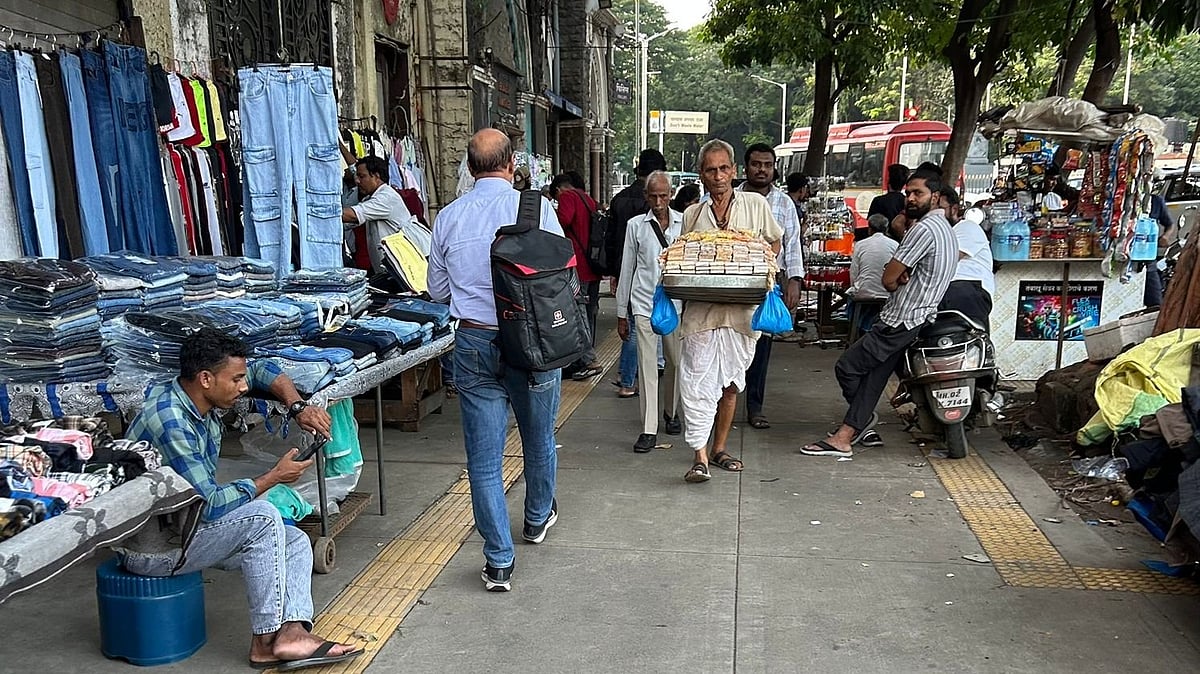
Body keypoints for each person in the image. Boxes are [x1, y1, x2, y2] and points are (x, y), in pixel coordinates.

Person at [119, 328, 363, 671]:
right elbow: (211, 506)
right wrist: (274, 477)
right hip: (156, 548)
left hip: (184, 526)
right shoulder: (172, 421)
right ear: (205, 378)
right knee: (263, 516)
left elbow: (261, 369)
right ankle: (265, 641)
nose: (245, 387)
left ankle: (291, 632)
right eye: (235, 380)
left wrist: (298, 408)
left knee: (293, 539)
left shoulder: (194, 394)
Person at [427, 128, 564, 592]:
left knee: (484, 460)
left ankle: (499, 561)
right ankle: (536, 518)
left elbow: (438, 292)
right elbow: (561, 272)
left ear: (469, 168)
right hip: (533, 343)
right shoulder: (538, 207)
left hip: (474, 342)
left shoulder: (447, 217)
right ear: (511, 165)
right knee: (538, 437)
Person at [801, 169, 957, 457]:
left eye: (918, 193)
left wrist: (898, 276)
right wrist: (902, 274)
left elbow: (888, 278)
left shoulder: (923, 230)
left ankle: (858, 424)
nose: (910, 198)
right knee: (874, 378)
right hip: (918, 317)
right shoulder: (946, 229)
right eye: (908, 192)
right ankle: (847, 434)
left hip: (901, 318)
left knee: (847, 367)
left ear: (934, 197)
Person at [678, 139, 782, 483]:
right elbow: (683, 258)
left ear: (734, 171)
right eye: (711, 170)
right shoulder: (693, 214)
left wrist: (761, 265)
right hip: (701, 313)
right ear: (702, 176)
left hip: (741, 313)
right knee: (696, 382)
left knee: (731, 385)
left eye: (724, 168)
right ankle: (700, 457)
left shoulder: (755, 204)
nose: (719, 176)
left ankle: (720, 448)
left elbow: (775, 241)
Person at [739, 143, 804, 430]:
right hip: (735, 282)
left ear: (774, 168)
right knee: (730, 342)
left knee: (761, 347)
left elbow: (792, 245)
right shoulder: (733, 197)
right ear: (746, 168)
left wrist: (794, 280)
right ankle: (718, 405)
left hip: (768, 283)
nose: (762, 169)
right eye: (756, 164)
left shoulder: (784, 203)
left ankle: (755, 407)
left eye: (767, 164)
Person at [617, 170, 683, 452]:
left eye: (663, 195)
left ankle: (671, 411)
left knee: (676, 362)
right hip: (643, 303)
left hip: (675, 303)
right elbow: (627, 268)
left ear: (671, 195)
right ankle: (649, 428)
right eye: (653, 196)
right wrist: (622, 311)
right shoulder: (636, 226)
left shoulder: (684, 223)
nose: (658, 202)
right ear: (646, 196)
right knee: (646, 368)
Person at [610, 149, 668, 399]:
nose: (657, 201)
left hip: (628, 270)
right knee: (639, 328)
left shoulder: (620, 199)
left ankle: (627, 377)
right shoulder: (658, 204)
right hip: (649, 274)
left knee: (634, 327)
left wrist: (614, 273)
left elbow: (612, 240)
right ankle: (632, 376)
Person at [549, 173, 603, 380]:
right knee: (589, 313)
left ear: (560, 189)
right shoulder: (587, 199)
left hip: (577, 264)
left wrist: (551, 211)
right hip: (593, 265)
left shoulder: (568, 197)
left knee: (578, 314)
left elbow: (562, 221)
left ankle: (589, 359)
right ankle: (586, 356)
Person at [341, 156, 425, 270]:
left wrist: (320, 211)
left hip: (402, 268)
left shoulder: (386, 198)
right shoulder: (370, 199)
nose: (357, 181)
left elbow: (352, 215)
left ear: (376, 176)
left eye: (362, 177)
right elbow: (348, 224)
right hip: (391, 269)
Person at [937, 187, 994, 329]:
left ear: (954, 209)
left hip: (966, 287)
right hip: (942, 290)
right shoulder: (937, 234)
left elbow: (947, 259)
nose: (934, 215)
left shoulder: (966, 227)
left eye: (939, 209)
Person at [848, 213, 899, 337]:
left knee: (851, 300)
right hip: (887, 293)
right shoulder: (895, 245)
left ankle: (859, 330)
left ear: (869, 228)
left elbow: (854, 272)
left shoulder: (860, 245)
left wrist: (854, 287)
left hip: (864, 292)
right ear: (886, 229)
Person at [866, 164, 909, 241]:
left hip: (880, 243)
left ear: (888, 181)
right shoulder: (907, 201)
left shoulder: (878, 201)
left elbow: (871, 225)